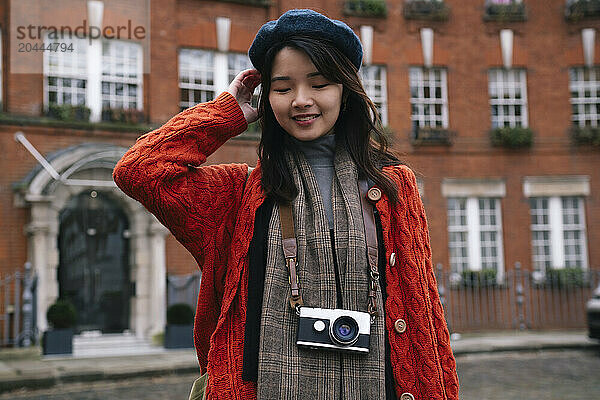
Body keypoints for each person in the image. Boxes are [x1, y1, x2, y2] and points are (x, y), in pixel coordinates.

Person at [113, 9, 458, 400]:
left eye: (320, 83)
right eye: (282, 88)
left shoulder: (393, 186)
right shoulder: (237, 194)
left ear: (345, 90)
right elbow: (139, 170)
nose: (301, 100)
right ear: (266, 98)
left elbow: (423, 310)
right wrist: (227, 113)